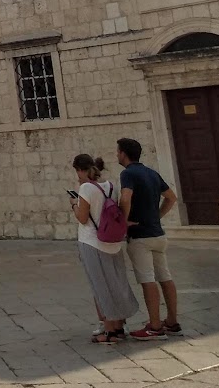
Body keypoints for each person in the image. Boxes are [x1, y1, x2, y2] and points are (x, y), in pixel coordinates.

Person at [70, 153, 139, 344]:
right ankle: (118, 327)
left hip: (92, 242)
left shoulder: (85, 188)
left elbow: (83, 218)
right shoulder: (110, 186)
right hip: (113, 241)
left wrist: (74, 205)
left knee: (100, 286)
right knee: (116, 283)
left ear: (80, 170)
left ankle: (109, 332)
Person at [117, 137, 180, 339]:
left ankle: (154, 325)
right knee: (165, 277)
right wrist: (157, 216)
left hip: (140, 236)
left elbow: (125, 198)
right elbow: (171, 197)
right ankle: (171, 321)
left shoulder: (127, 174)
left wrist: (123, 221)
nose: (117, 155)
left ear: (124, 153)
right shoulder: (152, 173)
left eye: (118, 151)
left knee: (147, 280)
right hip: (158, 234)